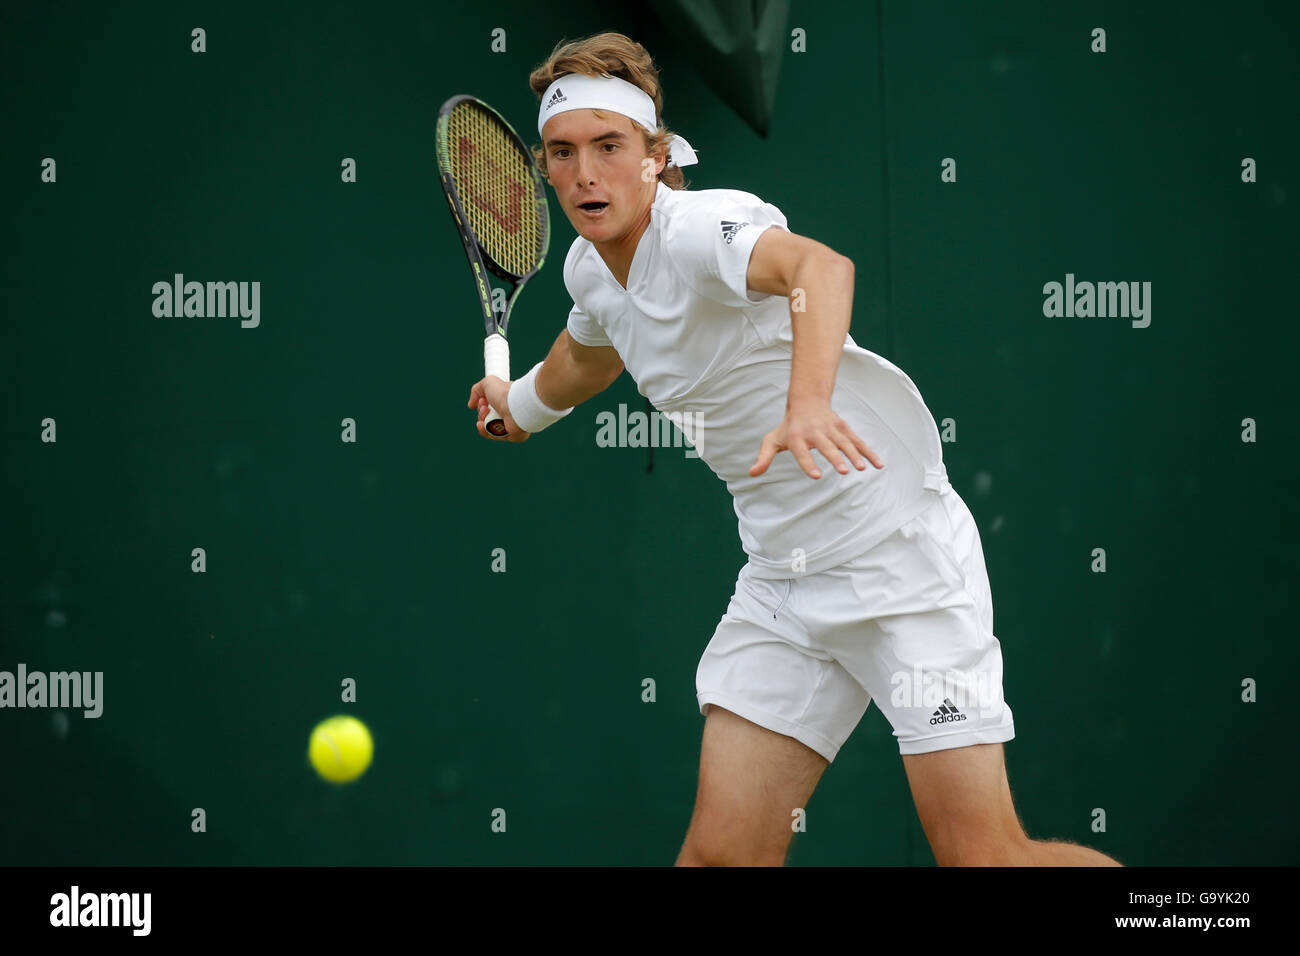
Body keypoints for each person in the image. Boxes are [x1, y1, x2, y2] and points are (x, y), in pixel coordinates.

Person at [467, 32, 1120, 867]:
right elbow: (586, 357)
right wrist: (517, 409)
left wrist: (807, 402)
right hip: (784, 582)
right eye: (563, 153)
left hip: (900, 563)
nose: (587, 172)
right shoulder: (591, 274)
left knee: (984, 858)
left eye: (609, 147)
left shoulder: (702, 228)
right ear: (544, 169)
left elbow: (822, 266)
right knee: (721, 859)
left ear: (655, 156)